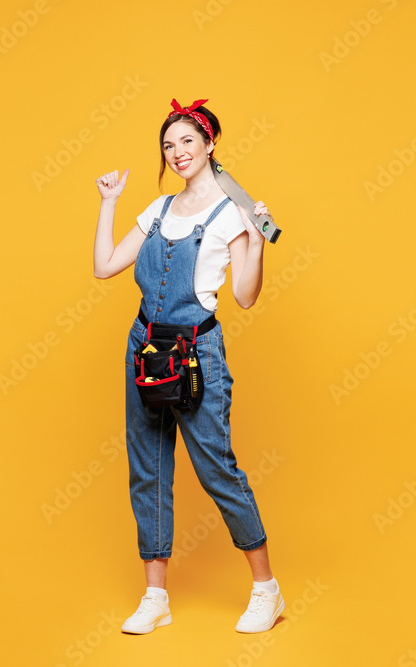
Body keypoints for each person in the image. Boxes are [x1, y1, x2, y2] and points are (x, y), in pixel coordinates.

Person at [92, 98, 283, 634]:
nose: (176, 153)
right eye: (168, 145)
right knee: (147, 468)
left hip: (197, 355)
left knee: (216, 469)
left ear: (209, 145)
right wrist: (109, 203)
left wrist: (259, 237)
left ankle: (265, 589)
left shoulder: (232, 213)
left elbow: (245, 297)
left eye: (186, 142)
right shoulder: (155, 211)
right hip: (145, 351)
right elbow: (105, 266)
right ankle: (156, 597)